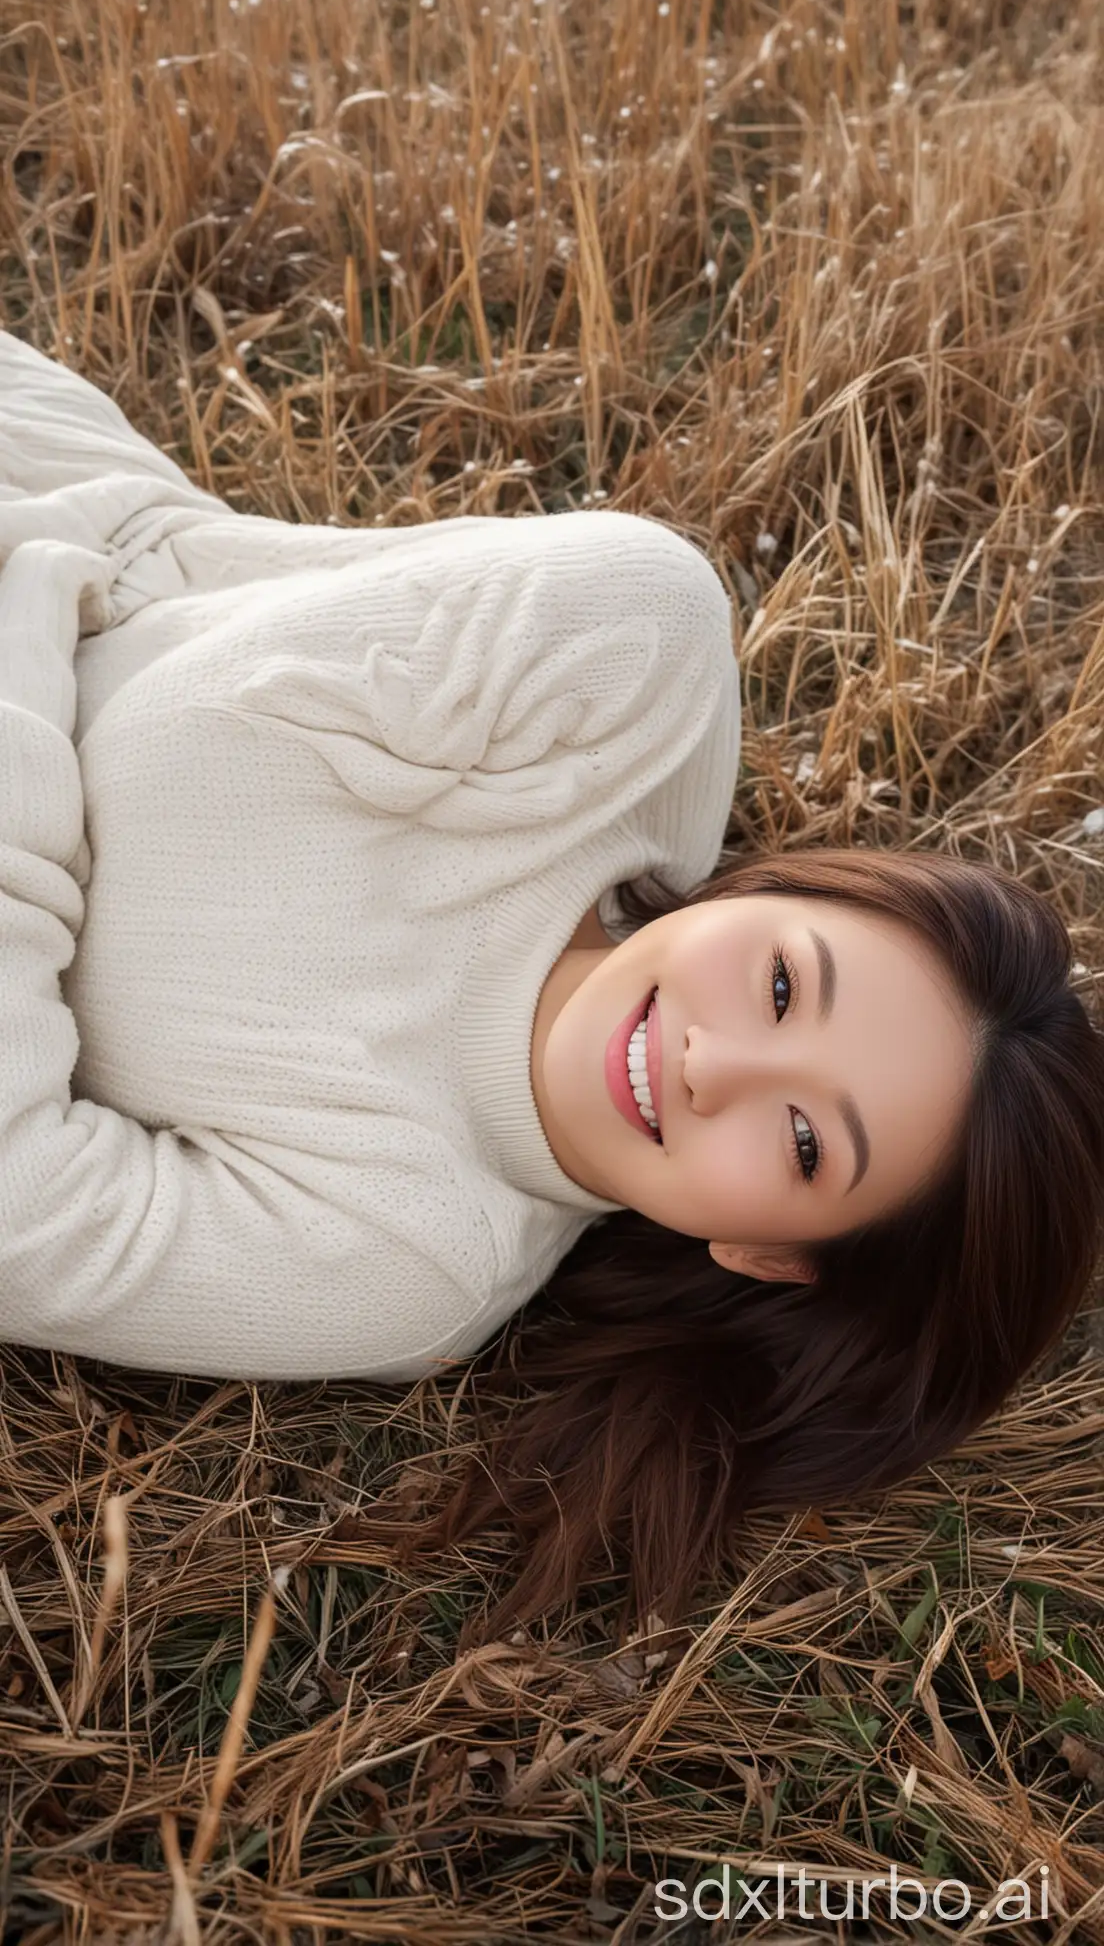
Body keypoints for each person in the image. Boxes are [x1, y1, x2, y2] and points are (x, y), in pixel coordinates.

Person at [2, 328, 1103, 1632]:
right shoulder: (627, 663)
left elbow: (21, 1211)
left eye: (806, 1142)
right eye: (784, 988)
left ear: (772, 1256)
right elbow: (134, 562)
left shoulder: (415, 1254)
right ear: (770, 893)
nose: (715, 1064)